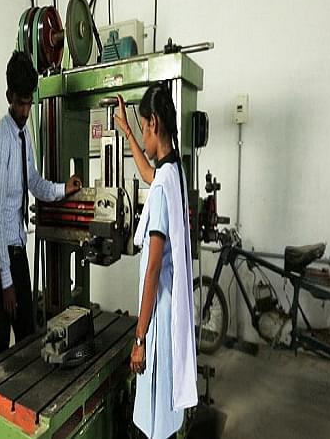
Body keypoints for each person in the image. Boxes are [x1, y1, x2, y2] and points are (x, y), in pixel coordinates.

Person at [115, 84, 198, 439]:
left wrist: (139, 338)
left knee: (155, 418)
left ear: (155, 123)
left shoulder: (164, 187)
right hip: (169, 311)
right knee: (165, 412)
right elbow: (149, 173)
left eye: (143, 126)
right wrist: (127, 132)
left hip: (159, 319)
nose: (143, 135)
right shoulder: (175, 172)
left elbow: (152, 269)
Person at [0, 51, 82, 356]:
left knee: (26, 337)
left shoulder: (24, 133)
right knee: (1, 349)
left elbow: (35, 182)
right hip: (1, 257)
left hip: (18, 252)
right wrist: (6, 282)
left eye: (29, 103)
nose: (26, 111)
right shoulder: (1, 140)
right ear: (8, 97)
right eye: (20, 103)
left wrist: (64, 188)